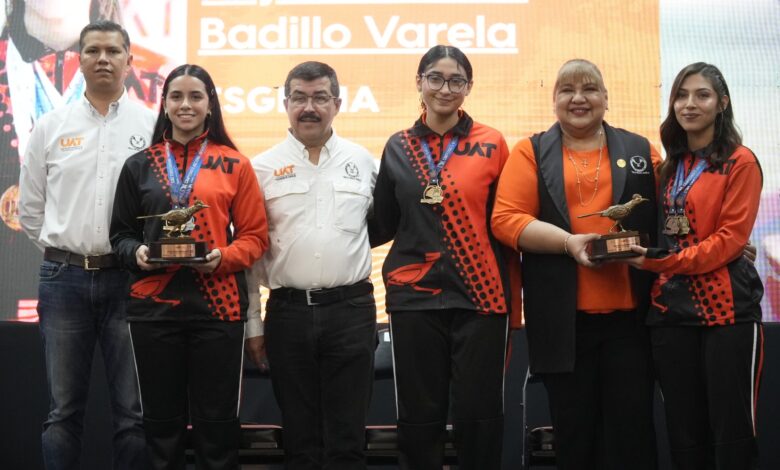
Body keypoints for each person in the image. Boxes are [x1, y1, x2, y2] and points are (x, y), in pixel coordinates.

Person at [491, 59, 659, 469]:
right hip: (564, 326)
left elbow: (675, 212)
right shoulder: (529, 151)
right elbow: (506, 219)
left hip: (632, 324)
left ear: (606, 98)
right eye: (567, 90)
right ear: (554, 100)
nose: (579, 98)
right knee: (575, 439)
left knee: (633, 440)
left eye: (590, 89)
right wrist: (569, 243)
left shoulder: (640, 150)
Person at [369, 45, 522, 470]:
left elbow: (506, 223)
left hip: (482, 298)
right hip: (412, 298)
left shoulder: (492, 142)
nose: (445, 88)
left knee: (480, 417)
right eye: (435, 77)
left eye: (456, 80)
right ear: (419, 82)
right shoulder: (397, 146)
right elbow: (381, 223)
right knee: (419, 419)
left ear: (469, 87)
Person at [109, 63, 268, 469]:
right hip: (153, 313)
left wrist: (222, 258)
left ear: (210, 105)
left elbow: (254, 237)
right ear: (163, 104)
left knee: (217, 431)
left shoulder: (235, 164)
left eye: (196, 96)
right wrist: (137, 254)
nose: (185, 105)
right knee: (162, 431)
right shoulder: (138, 165)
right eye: (176, 96)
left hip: (218, 312)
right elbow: (121, 235)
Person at [18, 20, 155, 470]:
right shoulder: (50, 126)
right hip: (64, 281)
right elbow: (32, 209)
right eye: (92, 50)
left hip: (130, 281)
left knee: (133, 416)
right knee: (62, 413)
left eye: (113, 51)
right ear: (79, 58)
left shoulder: (153, 126)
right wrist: (64, 253)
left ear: (128, 60)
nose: (102, 58)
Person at [623, 62, 764, 469]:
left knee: (732, 435)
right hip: (670, 317)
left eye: (701, 95)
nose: (689, 104)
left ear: (722, 103)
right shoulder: (668, 167)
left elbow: (728, 242)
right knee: (684, 437)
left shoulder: (741, 162)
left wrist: (659, 262)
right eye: (681, 95)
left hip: (728, 315)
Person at [245, 61, 377, 469]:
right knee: (301, 442)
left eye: (320, 97)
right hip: (288, 313)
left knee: (347, 441)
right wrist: (254, 327)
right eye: (299, 98)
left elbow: (385, 228)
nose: (309, 107)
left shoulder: (366, 162)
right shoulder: (260, 168)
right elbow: (249, 255)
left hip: (351, 311)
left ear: (337, 104)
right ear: (285, 103)